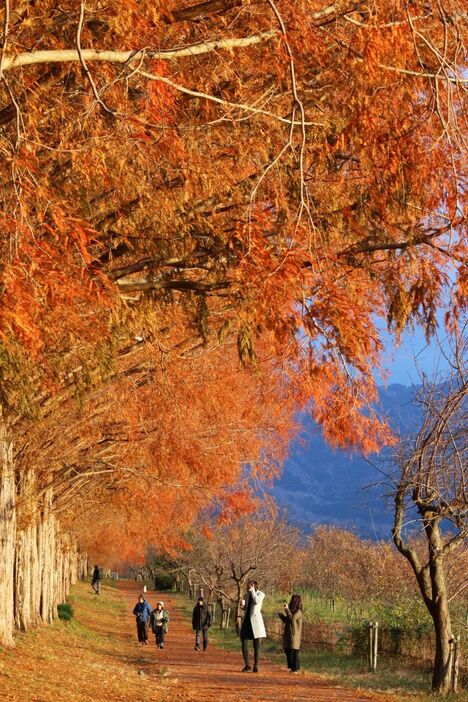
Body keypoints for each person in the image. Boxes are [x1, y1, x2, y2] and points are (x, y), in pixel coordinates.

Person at [239, 580, 266, 672]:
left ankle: (256, 665)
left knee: (256, 645)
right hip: (246, 621)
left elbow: (256, 601)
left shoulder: (261, 594)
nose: (249, 586)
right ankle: (247, 665)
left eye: (251, 585)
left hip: (256, 622)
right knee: (244, 643)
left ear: (255, 586)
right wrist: (242, 606)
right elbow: (246, 607)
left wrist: (252, 591)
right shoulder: (246, 595)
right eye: (248, 585)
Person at [278, 594, 303, 673]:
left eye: (292, 600)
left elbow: (292, 619)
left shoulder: (299, 611)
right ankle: (292, 668)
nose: (290, 601)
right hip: (288, 633)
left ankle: (295, 668)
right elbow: (287, 620)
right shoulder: (292, 610)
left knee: (293, 651)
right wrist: (281, 615)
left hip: (294, 634)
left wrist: (287, 610)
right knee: (287, 649)